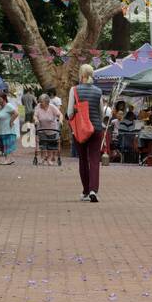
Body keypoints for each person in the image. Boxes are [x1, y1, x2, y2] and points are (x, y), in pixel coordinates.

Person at [67, 64, 105, 201]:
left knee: (83, 160)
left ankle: (85, 191)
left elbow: (70, 113)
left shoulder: (74, 90)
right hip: (96, 129)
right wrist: (96, 122)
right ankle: (94, 190)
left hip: (81, 131)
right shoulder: (98, 91)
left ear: (81, 75)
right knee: (95, 160)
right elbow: (101, 113)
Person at [34, 93, 63, 165]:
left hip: (52, 129)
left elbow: (60, 115)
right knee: (43, 144)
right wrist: (36, 120)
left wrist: (61, 121)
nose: (40, 103)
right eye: (40, 101)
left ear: (47, 102)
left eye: (42, 101)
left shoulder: (52, 107)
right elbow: (35, 115)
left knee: (51, 145)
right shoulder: (38, 107)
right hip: (42, 128)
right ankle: (43, 158)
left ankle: (49, 159)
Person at [0, 93, 20, 164]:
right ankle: (10, 159)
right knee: (4, 145)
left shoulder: (8, 105)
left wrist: (11, 121)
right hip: (1, 130)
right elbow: (0, 116)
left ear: (4, 99)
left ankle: (8, 159)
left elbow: (16, 113)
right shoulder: (0, 107)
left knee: (7, 145)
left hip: (8, 130)